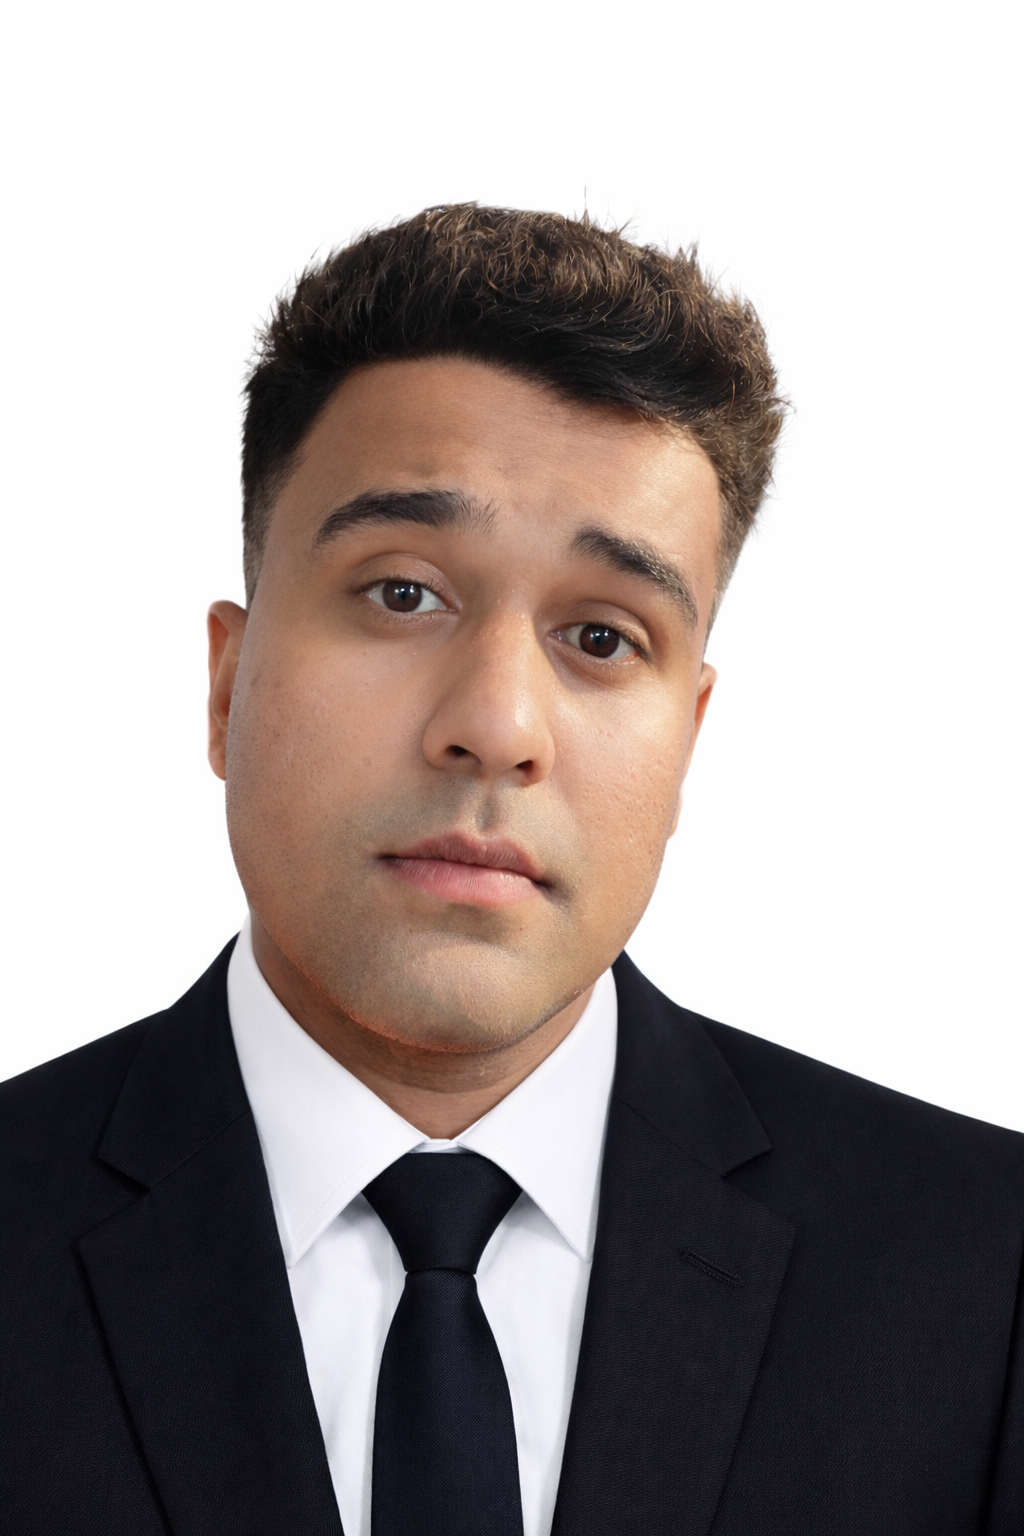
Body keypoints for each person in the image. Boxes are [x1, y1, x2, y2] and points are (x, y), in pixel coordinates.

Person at [1, 205, 1021, 1535]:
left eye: (602, 635)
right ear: (226, 682)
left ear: (690, 739)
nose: (497, 723)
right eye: (402, 592)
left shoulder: (985, 1278)